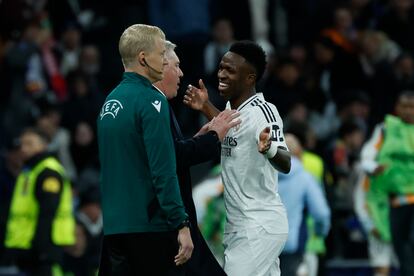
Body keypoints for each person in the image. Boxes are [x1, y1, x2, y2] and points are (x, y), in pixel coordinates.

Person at [184, 40, 291, 276]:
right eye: (221, 67)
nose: (221, 74)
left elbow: (286, 162)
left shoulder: (264, 112)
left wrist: (269, 149)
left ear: (250, 78)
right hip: (241, 225)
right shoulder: (236, 110)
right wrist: (205, 106)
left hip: (257, 225)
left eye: (230, 70)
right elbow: (231, 127)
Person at [97, 24, 193, 275]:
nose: (164, 61)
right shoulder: (152, 100)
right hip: (149, 227)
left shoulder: (110, 102)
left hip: (115, 228)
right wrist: (181, 223)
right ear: (143, 57)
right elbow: (163, 170)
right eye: (161, 54)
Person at [153, 41, 239, 275]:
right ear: (158, 67)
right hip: (171, 221)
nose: (181, 72)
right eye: (176, 65)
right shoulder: (154, 104)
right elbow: (170, 161)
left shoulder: (152, 102)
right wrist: (182, 226)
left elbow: (171, 153)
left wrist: (200, 137)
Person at [4, 127, 75, 276]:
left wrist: (42, 250)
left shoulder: (48, 171)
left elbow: (48, 212)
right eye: (22, 144)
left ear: (44, 145)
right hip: (27, 247)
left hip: (44, 249)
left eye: (29, 143)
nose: (23, 148)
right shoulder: (30, 170)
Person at [359, 91, 414, 276]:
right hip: (390, 202)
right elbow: (367, 157)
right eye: (404, 106)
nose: (408, 111)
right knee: (393, 257)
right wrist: (373, 167)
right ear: (396, 108)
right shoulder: (385, 129)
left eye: (412, 106)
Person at [278, 134, 331, 276]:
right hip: (292, 245)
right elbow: (321, 213)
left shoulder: (264, 176)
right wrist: (320, 232)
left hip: (263, 245)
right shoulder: (305, 178)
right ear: (300, 153)